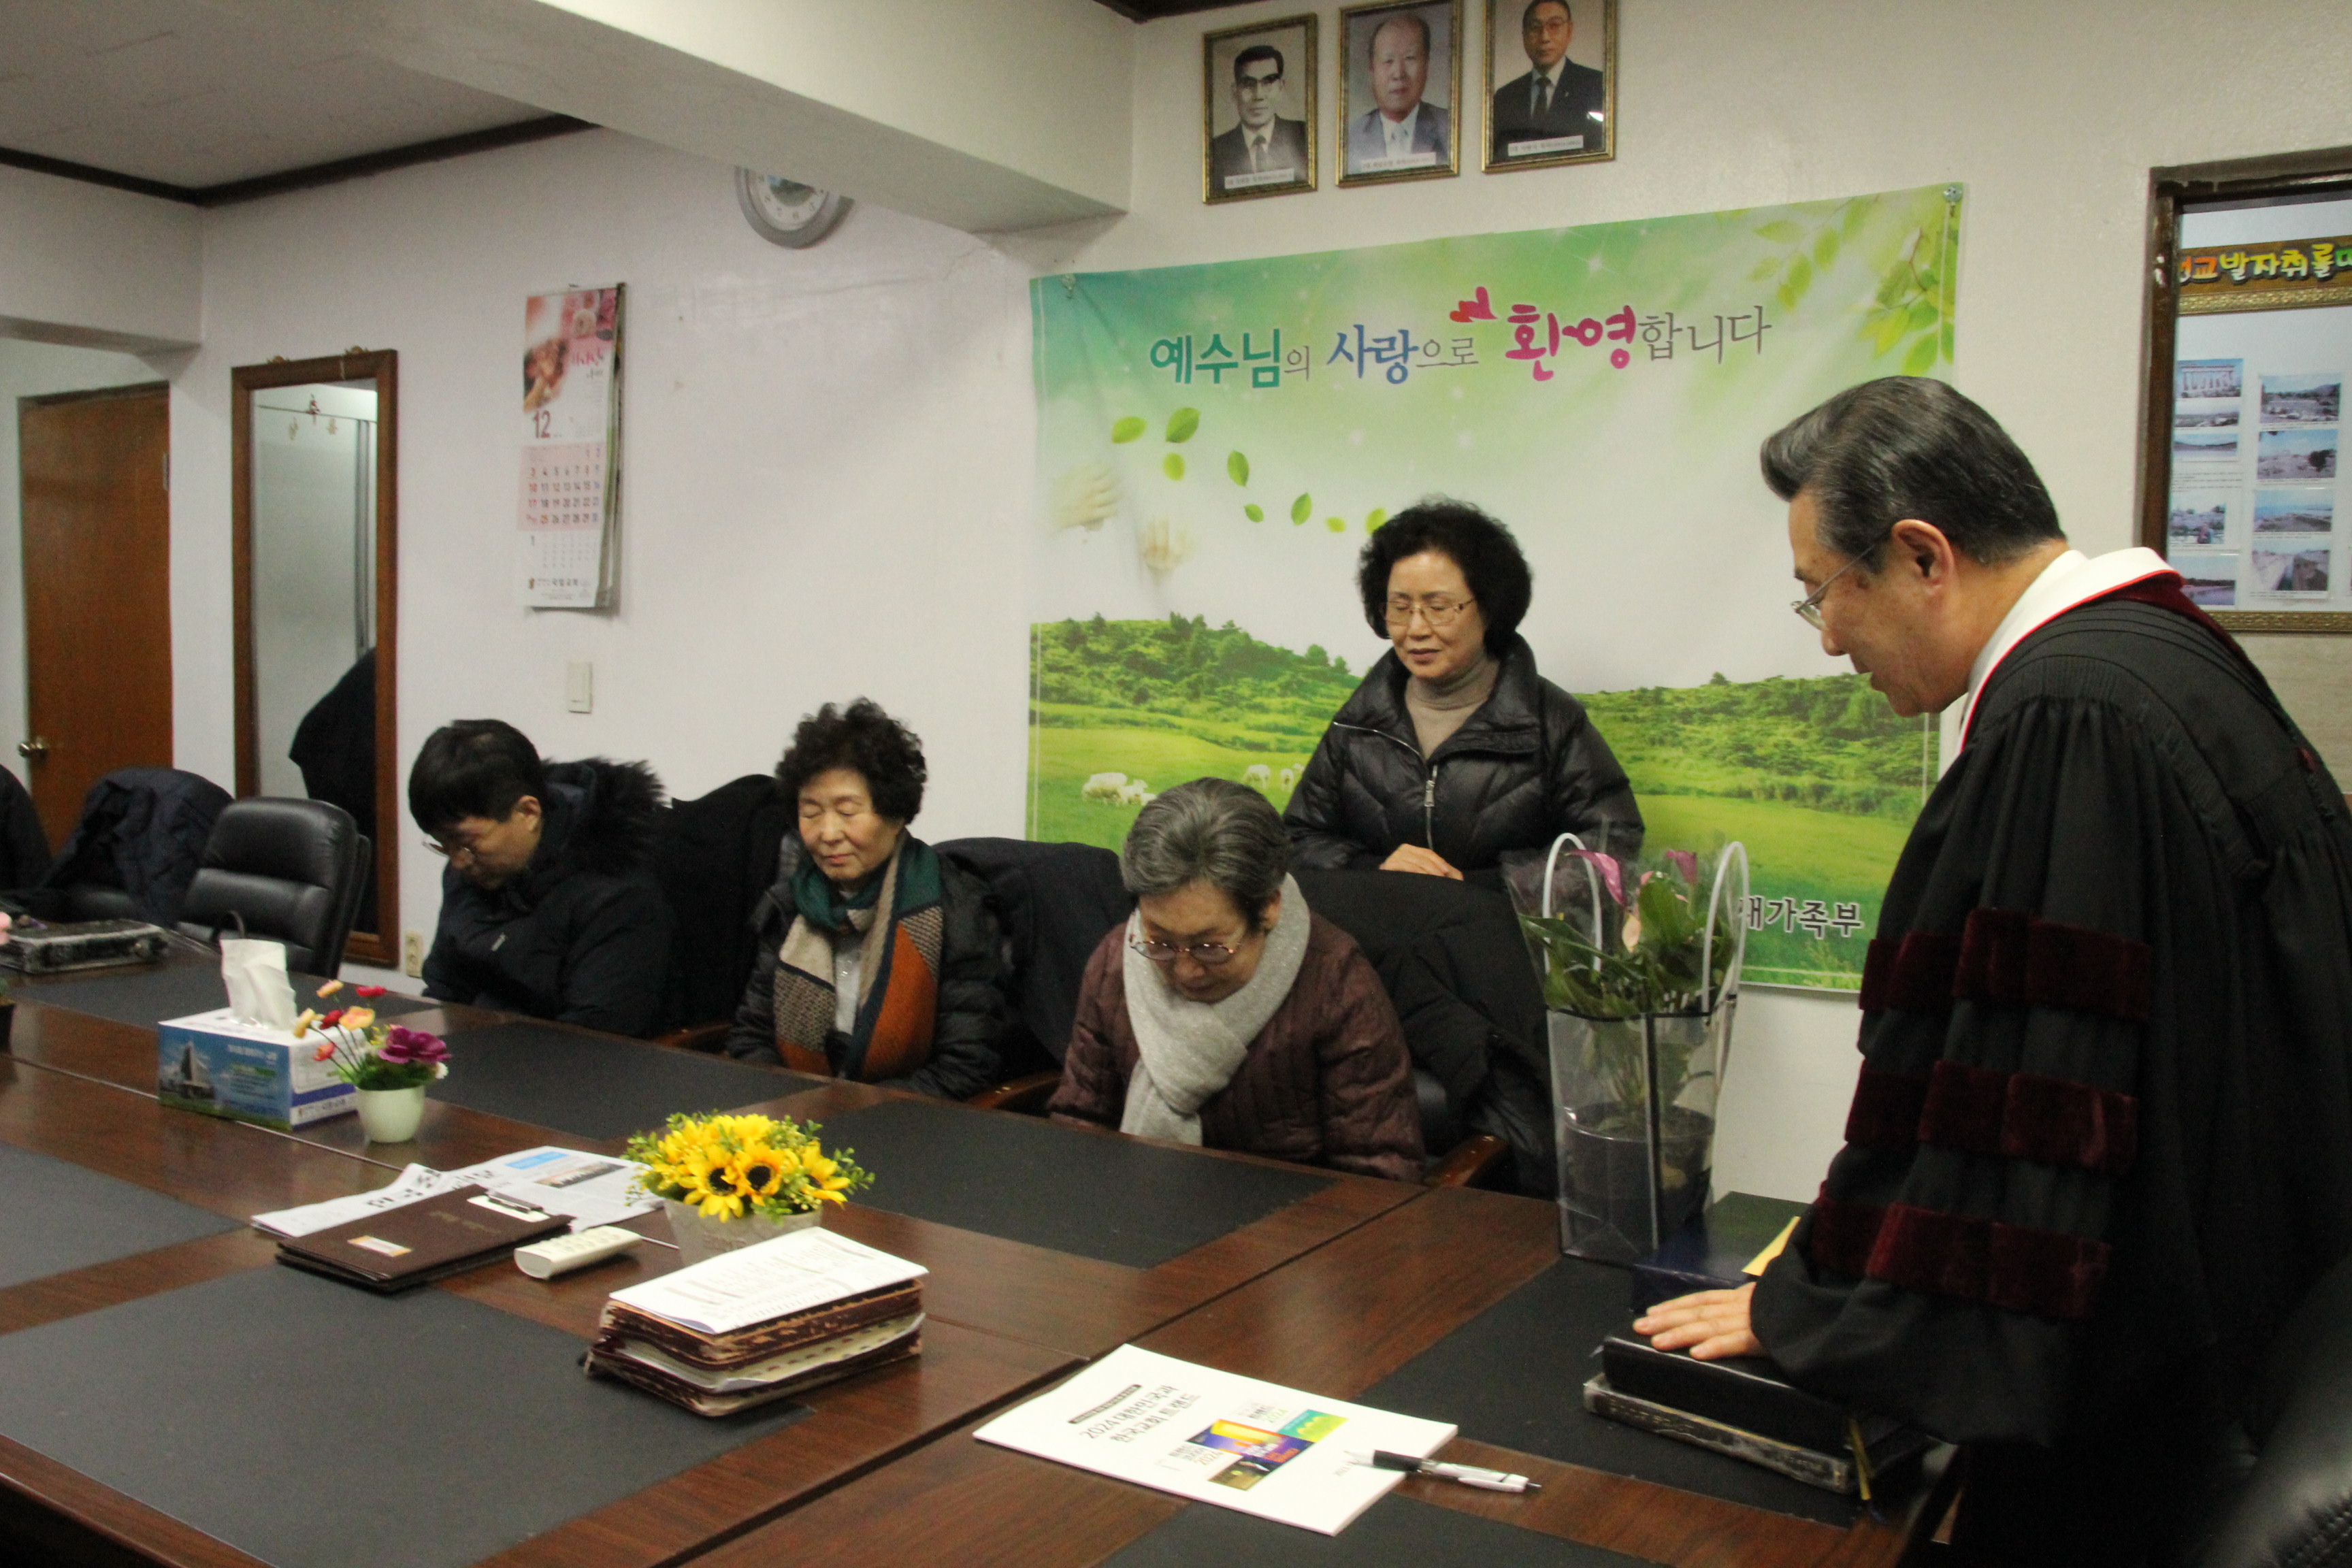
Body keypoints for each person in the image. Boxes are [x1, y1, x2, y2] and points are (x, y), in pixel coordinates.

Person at [1633, 378, 2352, 1566]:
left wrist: (1820, 1309)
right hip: (2269, 1309)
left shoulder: (2071, 719)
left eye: (1825, 589)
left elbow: (2025, 1099)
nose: (1826, 637)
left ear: (1923, 555)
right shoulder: (2162, 656)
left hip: (2152, 1414)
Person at [1049, 778, 1424, 1181]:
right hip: (1137, 1199)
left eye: (1209, 948)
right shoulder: (1117, 961)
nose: (1186, 970)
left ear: (1269, 908)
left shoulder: (1336, 984)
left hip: (1288, 1212)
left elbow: (1379, 1172)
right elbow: (1079, 1125)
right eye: (1160, 943)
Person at [1284, 499, 1642, 879]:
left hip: (1498, 917)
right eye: (1400, 608)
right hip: (1379, 916)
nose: (1416, 629)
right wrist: (1374, 869)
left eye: (1439, 607)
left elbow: (1612, 846)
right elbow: (1296, 838)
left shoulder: (1551, 721)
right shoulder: (1359, 721)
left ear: (1489, 608)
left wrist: (1482, 886)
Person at [724, 699, 1009, 1100]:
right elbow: (752, 1036)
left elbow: (965, 1065)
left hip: (909, 1118)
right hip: (795, 1114)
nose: (828, 834)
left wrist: (848, 1107)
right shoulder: (789, 905)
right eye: (811, 813)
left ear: (895, 816)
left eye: (847, 812)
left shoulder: (956, 906)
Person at [410, 720, 672, 1036]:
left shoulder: (616, 893)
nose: (457, 861)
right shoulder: (473, 869)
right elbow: (443, 991)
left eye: (466, 843)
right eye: (443, 844)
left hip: (569, 1056)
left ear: (528, 813)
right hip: (481, 1047)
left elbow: (597, 1035)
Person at [1490, 0, 1605, 161]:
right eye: (1535, 27)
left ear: (1570, 31)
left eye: (1555, 25)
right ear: (1524, 35)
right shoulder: (1505, 97)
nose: (1544, 37)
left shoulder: (1597, 86)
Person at [1345, 10, 1450, 172]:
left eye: (1410, 58)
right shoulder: (1350, 138)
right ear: (1372, 68)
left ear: (1426, 65)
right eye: (1388, 61)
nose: (1398, 74)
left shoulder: (1450, 127)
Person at [1208, 42, 1309, 192]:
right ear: (1235, 92)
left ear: (1281, 88)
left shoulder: (1305, 136)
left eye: (1268, 82)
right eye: (1249, 84)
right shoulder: (1215, 151)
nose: (1258, 95)